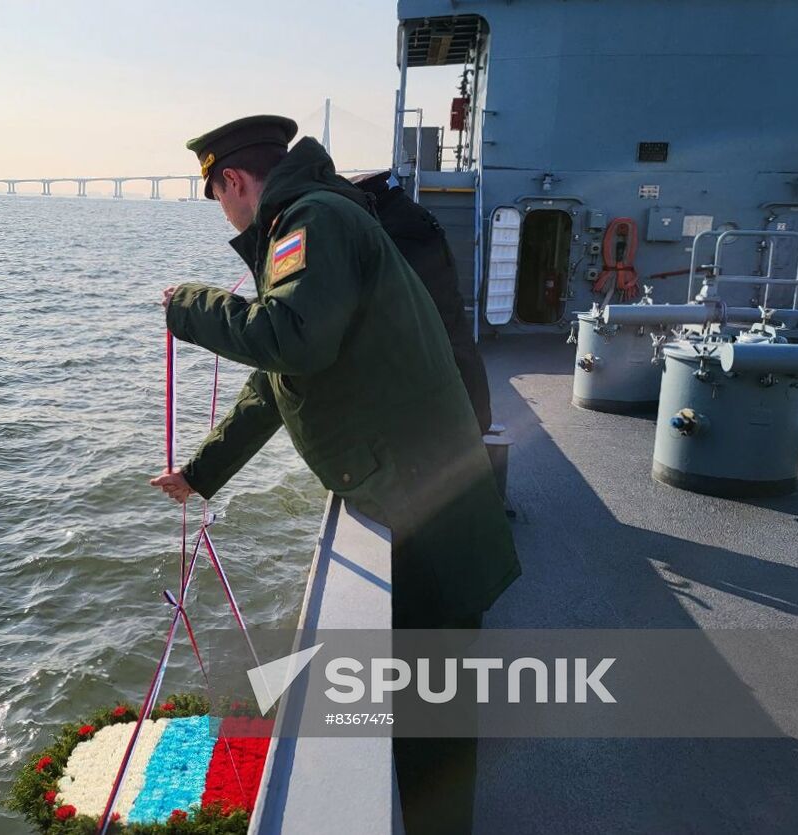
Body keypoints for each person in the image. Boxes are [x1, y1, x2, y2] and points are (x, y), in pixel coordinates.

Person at [149, 115, 520, 834]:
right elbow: (280, 379)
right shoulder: (321, 217)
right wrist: (202, 472)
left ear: (233, 180)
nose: (225, 214)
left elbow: (291, 337)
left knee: (432, 716)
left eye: (219, 198)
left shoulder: (308, 222)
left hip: (428, 514)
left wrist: (186, 306)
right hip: (417, 496)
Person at [352, 170, 494, 435]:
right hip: (464, 392)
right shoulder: (411, 220)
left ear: (369, 202)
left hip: (453, 409)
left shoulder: (400, 234)